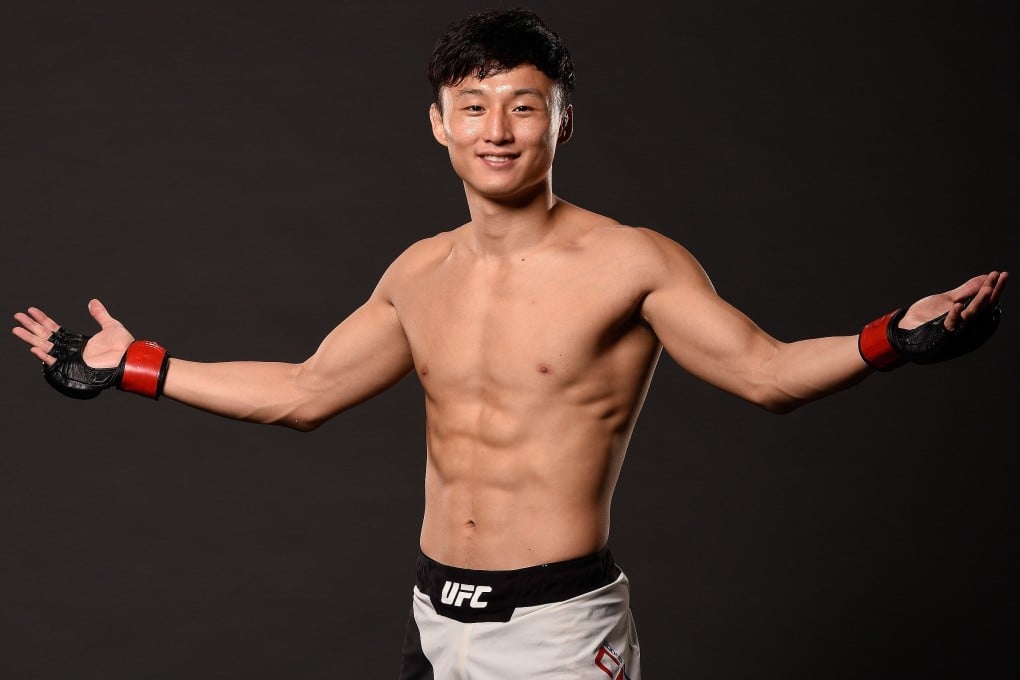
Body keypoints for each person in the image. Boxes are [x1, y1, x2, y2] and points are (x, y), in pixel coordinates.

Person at [11, 8, 1006, 680]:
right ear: (438, 124)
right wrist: (140, 367)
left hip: (558, 630)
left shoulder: (631, 261)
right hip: (434, 612)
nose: (498, 129)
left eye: (524, 106)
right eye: (474, 107)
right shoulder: (417, 271)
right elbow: (306, 389)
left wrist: (894, 338)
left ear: (561, 125)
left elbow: (765, 370)